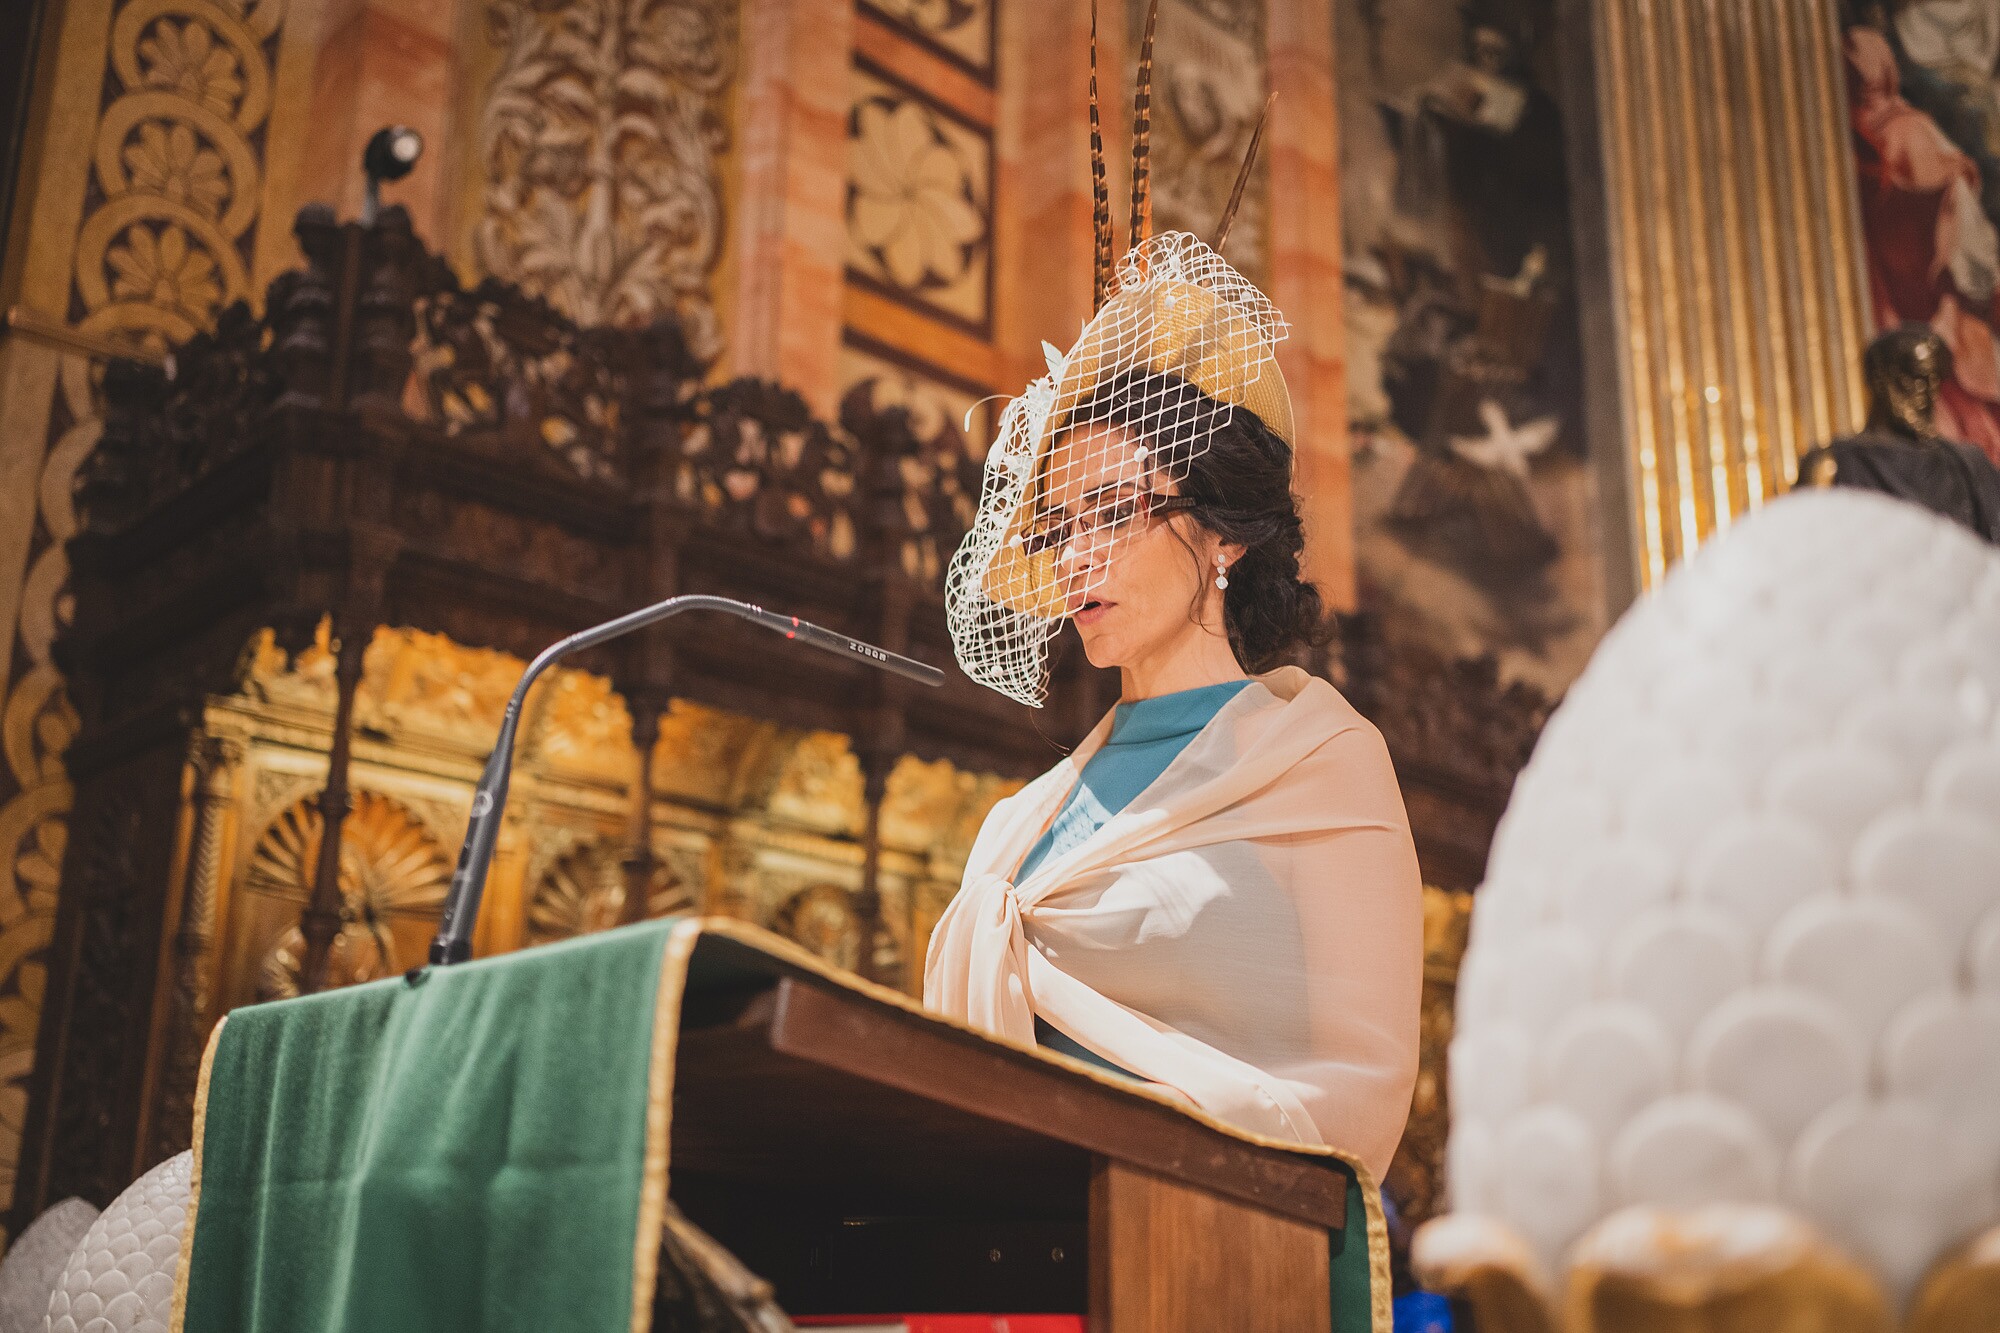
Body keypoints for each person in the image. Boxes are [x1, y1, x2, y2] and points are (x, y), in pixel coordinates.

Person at [924, 215, 1424, 1184]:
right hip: (1014, 1225)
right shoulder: (1016, 825)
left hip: (1206, 1227)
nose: (1075, 557)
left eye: (1114, 511)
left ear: (1223, 533)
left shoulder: (1319, 760)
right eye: (1057, 526)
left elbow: (1356, 1086)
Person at [1798, 323, 2000, 542]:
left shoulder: (1970, 464)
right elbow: (1812, 551)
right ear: (1880, 379)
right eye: (1916, 378)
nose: (1929, 392)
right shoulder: (1833, 464)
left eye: (1934, 379)